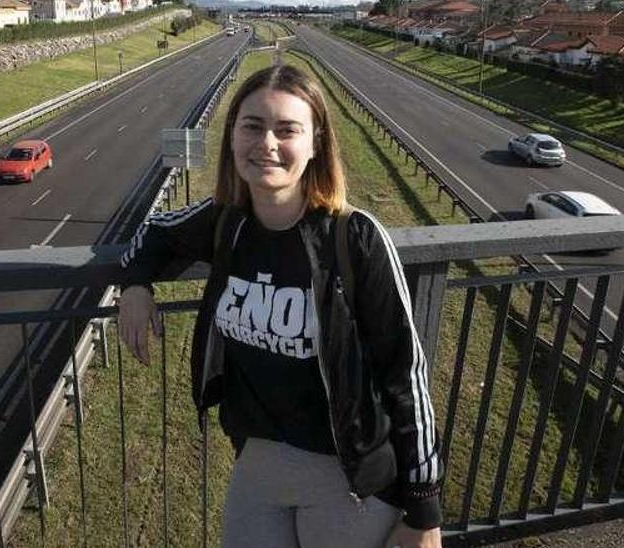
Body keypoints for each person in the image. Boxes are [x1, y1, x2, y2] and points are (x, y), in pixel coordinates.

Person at [117, 64, 443, 548]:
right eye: (252, 126)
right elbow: (153, 233)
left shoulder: (354, 238)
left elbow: (405, 374)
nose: (267, 143)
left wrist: (423, 512)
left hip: (348, 475)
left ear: (315, 144)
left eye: (287, 129)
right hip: (260, 463)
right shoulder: (227, 222)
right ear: (231, 139)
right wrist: (135, 285)